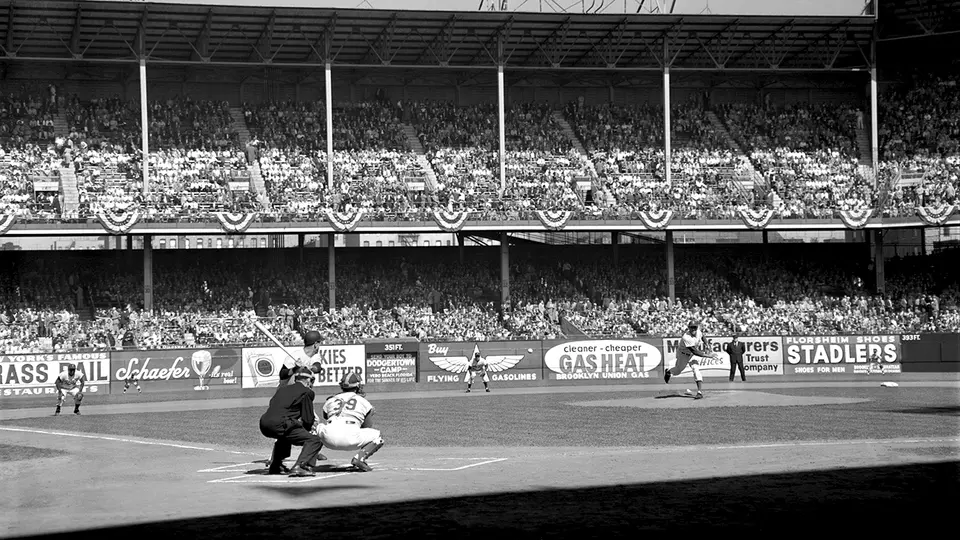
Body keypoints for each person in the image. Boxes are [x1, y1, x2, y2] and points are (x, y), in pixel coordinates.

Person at [265, 329, 322, 470]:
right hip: (286, 394)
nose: (320, 346)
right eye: (319, 343)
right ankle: (307, 449)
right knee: (297, 423)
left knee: (307, 422)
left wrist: (309, 367)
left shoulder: (315, 355)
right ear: (315, 344)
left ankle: (308, 449)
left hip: (299, 396)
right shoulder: (295, 356)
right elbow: (283, 374)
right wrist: (295, 368)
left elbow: (318, 367)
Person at [259, 367, 326, 476]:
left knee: (285, 436)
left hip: (264, 423)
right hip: (281, 423)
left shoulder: (282, 389)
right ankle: (300, 466)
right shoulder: (307, 392)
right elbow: (308, 419)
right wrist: (306, 432)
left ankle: (276, 465)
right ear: (308, 380)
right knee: (315, 440)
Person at [317, 371, 384, 473]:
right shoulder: (363, 401)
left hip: (328, 439)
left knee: (316, 428)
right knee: (378, 436)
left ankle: (309, 458)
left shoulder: (330, 400)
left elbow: (325, 417)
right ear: (357, 386)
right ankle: (360, 458)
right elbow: (367, 427)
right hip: (351, 438)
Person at [664, 321, 716, 400]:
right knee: (678, 371)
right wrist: (708, 356)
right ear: (688, 328)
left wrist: (707, 345)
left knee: (696, 369)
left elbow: (703, 337)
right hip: (683, 355)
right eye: (691, 327)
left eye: (695, 327)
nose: (693, 329)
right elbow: (694, 351)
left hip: (692, 355)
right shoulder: (686, 337)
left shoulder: (698, 332)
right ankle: (669, 372)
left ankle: (699, 392)